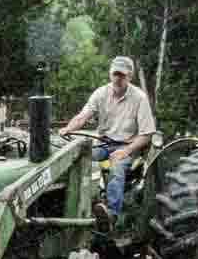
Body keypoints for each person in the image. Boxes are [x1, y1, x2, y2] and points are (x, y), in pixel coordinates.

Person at [59, 55, 157, 230]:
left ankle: (111, 215)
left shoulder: (139, 98)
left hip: (128, 146)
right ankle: (79, 205)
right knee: (79, 158)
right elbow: (83, 116)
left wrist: (126, 151)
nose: (118, 79)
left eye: (122, 75)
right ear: (110, 74)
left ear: (130, 76)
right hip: (103, 143)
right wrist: (68, 128)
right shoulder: (101, 93)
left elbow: (147, 134)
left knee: (116, 166)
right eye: (115, 74)